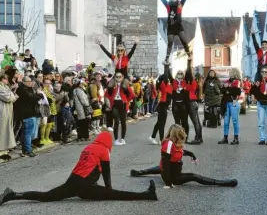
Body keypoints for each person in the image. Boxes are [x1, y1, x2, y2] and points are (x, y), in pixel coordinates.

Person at [0, 132, 158, 206]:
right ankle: (147, 195)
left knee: (46, 196)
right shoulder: (104, 150)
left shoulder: (89, 147)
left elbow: (86, 166)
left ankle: (13, 195)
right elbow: (106, 172)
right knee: (117, 194)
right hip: (84, 185)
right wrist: (108, 189)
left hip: (73, 181)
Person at [131, 124, 238, 188]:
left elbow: (179, 152)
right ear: (175, 135)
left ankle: (140, 172)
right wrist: (168, 183)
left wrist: (191, 154)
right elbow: (165, 164)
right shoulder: (168, 144)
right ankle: (224, 182)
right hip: (173, 176)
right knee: (195, 176)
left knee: (160, 167)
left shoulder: (173, 143)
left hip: (172, 168)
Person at [156, 0, 192, 64]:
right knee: (170, 43)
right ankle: (166, 59)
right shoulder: (168, 5)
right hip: (171, 27)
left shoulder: (180, 5)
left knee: (184, 41)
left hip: (178, 26)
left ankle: (189, 54)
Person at [105, 71, 135, 145]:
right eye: (117, 77)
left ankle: (122, 138)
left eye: (120, 77)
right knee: (116, 121)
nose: (118, 78)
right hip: (115, 104)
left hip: (123, 104)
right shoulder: (112, 85)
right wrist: (110, 102)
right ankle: (116, 140)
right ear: (114, 77)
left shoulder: (125, 85)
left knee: (123, 122)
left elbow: (132, 95)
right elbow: (106, 94)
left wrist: (126, 100)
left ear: (122, 77)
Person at [148, 64, 172, 145]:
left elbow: (169, 76)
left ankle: (152, 136)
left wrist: (167, 67)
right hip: (162, 105)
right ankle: (161, 140)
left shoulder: (168, 85)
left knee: (159, 122)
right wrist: (166, 67)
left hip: (164, 105)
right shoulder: (163, 85)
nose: (168, 79)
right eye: (167, 79)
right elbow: (166, 76)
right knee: (162, 123)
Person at [218, 68, 242, 145]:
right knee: (225, 122)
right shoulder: (228, 81)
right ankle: (225, 138)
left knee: (235, 121)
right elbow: (222, 90)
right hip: (226, 103)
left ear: (235, 73)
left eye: (231, 72)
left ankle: (236, 138)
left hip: (233, 102)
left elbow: (237, 92)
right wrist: (228, 90)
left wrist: (227, 89)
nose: (230, 73)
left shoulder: (237, 81)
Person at [0, 74, 18, 160]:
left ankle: (5, 148)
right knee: (2, 130)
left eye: (7, 79)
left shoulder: (6, 87)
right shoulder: (0, 88)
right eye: (5, 79)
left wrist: (12, 93)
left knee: (7, 129)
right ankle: (1, 149)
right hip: (2, 111)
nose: (7, 81)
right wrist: (12, 94)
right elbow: (8, 97)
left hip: (8, 111)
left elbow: (12, 97)